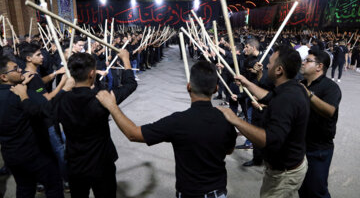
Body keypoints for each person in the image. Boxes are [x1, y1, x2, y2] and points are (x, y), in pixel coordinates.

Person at [96, 61, 237, 198]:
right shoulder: (226, 118)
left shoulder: (178, 121)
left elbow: (133, 134)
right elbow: (229, 149)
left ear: (188, 87)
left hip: (188, 192)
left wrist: (112, 106)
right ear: (216, 89)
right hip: (218, 192)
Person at [217, 45, 310, 198]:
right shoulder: (292, 87)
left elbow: (269, 139)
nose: (266, 65)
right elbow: (268, 97)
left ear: (279, 70)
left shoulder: (287, 100)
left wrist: (235, 120)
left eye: (271, 63)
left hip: (284, 174)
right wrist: (247, 83)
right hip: (286, 165)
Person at [52, 50, 137, 198]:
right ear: (92, 73)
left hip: (75, 163)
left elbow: (47, 109)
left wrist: (64, 88)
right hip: (102, 163)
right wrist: (126, 59)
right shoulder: (102, 97)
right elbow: (130, 84)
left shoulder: (61, 100)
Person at [0, 56, 64, 198]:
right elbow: (48, 107)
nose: (21, 69)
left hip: (11, 154)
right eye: (16, 69)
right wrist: (64, 87)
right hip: (35, 153)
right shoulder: (23, 95)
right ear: (4, 76)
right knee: (53, 185)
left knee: (24, 187)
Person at [299, 50, 342, 198]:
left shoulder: (331, 87)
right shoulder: (301, 83)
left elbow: (329, 111)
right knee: (302, 188)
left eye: (308, 60)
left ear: (319, 66)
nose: (303, 62)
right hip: (300, 144)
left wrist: (309, 95)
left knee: (317, 190)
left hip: (318, 148)